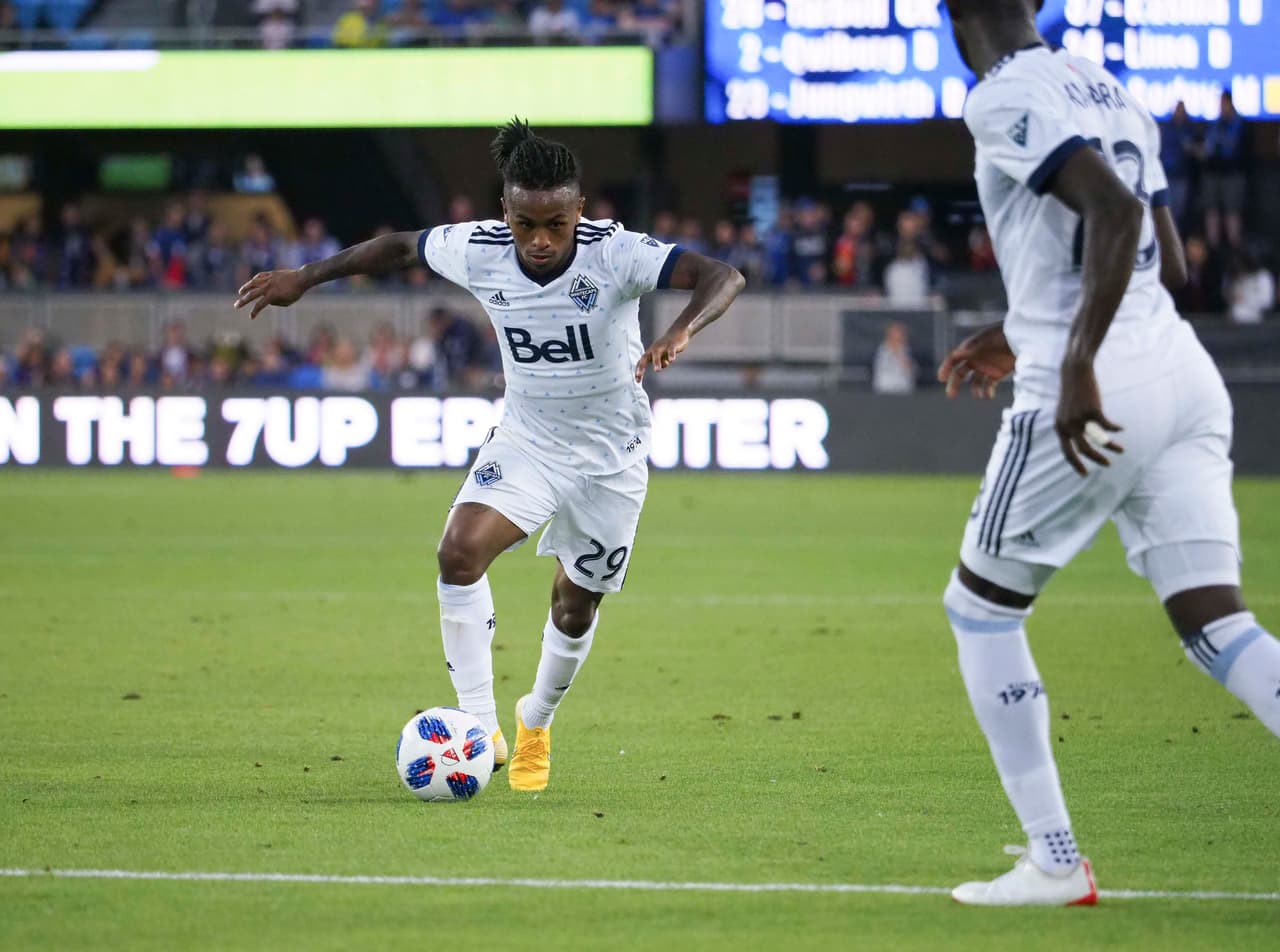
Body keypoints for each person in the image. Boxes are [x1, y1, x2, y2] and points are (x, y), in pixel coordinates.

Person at [234, 118, 744, 792]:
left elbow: (722, 275)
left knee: (574, 606)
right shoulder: (477, 248)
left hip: (612, 455)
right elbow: (395, 249)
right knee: (458, 552)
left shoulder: (615, 253)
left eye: (555, 224)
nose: (539, 239)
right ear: (504, 211)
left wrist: (680, 328)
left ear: (578, 213)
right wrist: (307, 276)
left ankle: (536, 717)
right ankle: (480, 731)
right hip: (528, 439)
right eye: (525, 223)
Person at [935, 0, 1280, 907]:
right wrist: (1024, 324)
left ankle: (1055, 861)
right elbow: (1166, 262)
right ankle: (1051, 862)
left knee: (979, 612)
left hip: (1096, 383)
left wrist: (1074, 355)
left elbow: (1114, 209)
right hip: (1181, 372)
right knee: (1219, 626)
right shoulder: (1109, 89)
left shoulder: (1001, 95)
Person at [871, 321, 916, 394]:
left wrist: (900, 355)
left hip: (903, 388)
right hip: (885, 388)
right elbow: (880, 369)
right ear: (889, 335)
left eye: (901, 333)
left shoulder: (907, 349)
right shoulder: (882, 350)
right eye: (896, 332)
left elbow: (911, 370)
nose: (900, 335)